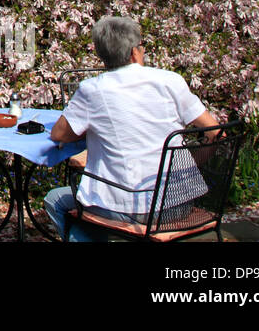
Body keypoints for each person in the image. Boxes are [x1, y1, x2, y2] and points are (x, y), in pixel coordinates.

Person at [45, 16, 221, 243]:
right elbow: (216, 133)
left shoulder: (93, 89)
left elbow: (59, 134)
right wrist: (185, 166)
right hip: (179, 204)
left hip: (127, 207)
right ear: (134, 53)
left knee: (57, 200)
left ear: (102, 56)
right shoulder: (171, 81)